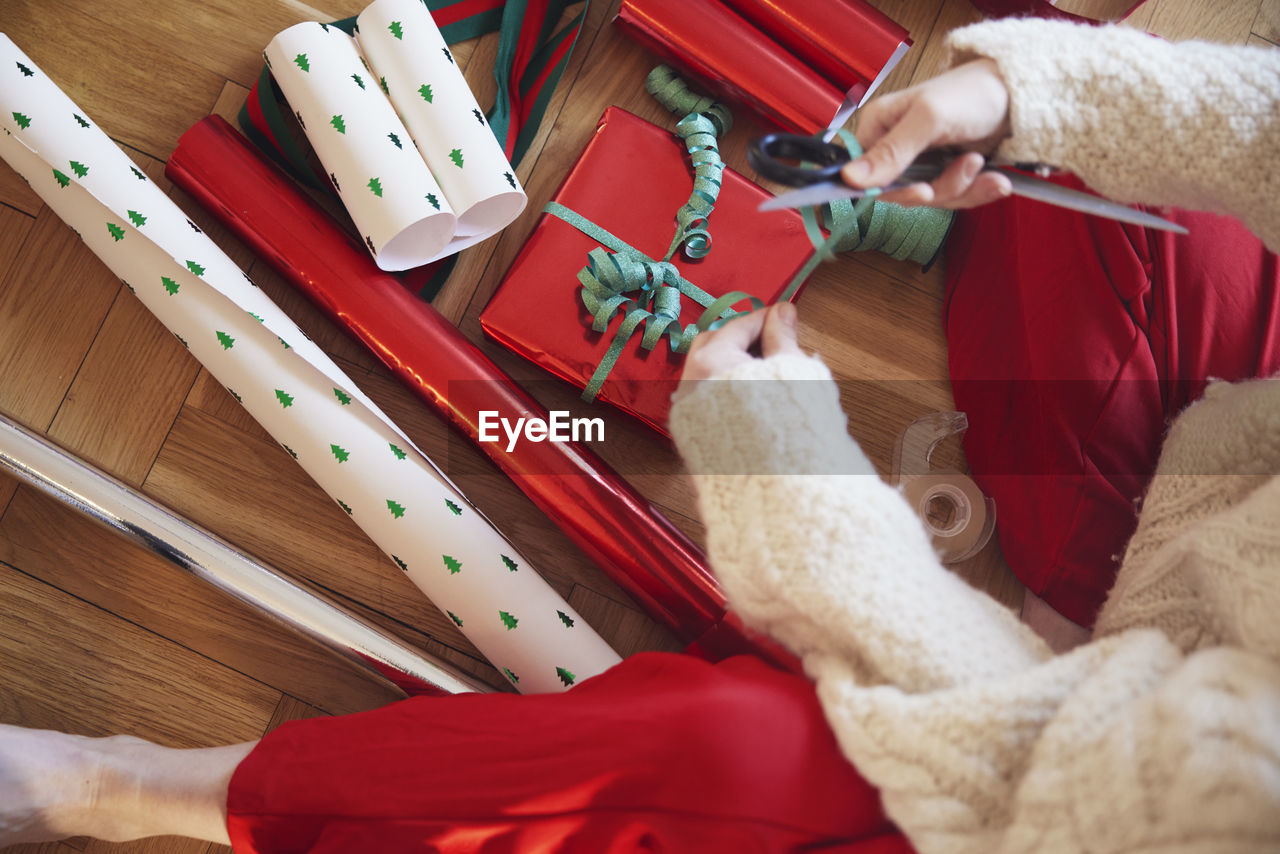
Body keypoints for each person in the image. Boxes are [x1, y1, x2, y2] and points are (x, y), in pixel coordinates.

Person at [3, 16, 1278, 854]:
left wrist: (783, 471)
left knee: (721, 749)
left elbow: (1090, 796)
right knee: (1079, 111)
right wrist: (1009, 88)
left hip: (1121, 798)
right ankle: (1051, 626)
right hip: (1234, 499)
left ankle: (127, 787)